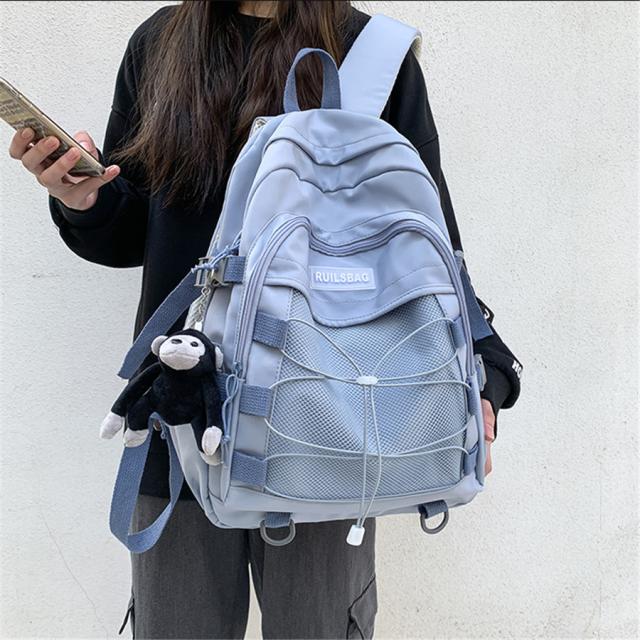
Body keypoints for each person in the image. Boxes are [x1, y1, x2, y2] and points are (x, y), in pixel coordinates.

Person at [8, 1, 522, 638]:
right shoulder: (161, 44)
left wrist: (483, 366)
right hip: (184, 409)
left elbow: (428, 241)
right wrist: (83, 198)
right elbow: (134, 235)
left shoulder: (371, 52)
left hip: (324, 417)